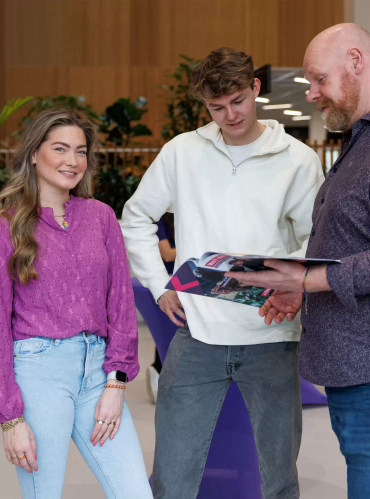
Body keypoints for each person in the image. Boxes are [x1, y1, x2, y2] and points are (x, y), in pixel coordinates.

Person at [121, 47, 324, 499]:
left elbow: (316, 240)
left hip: (272, 334)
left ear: (255, 89)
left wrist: (290, 283)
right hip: (197, 336)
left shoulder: (297, 159)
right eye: (216, 107)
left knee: (279, 477)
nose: (229, 115)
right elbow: (134, 218)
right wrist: (159, 286)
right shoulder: (182, 152)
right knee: (172, 476)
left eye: (237, 100)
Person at [0, 109, 153, 499]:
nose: (72, 161)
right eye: (60, 149)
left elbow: (120, 303)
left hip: (98, 373)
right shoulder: (1, 232)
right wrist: (11, 419)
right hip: (39, 374)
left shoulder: (101, 218)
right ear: (34, 154)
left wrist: (116, 383)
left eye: (80, 151)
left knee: (136, 492)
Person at [226, 24, 370, 499]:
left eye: (317, 80)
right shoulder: (355, 144)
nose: (311, 94)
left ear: (356, 60)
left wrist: (309, 280)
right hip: (351, 364)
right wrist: (297, 286)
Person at [146, 213, 176, 404]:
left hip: (189, 280)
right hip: (166, 284)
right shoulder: (160, 220)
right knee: (166, 331)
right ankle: (158, 369)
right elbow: (166, 253)